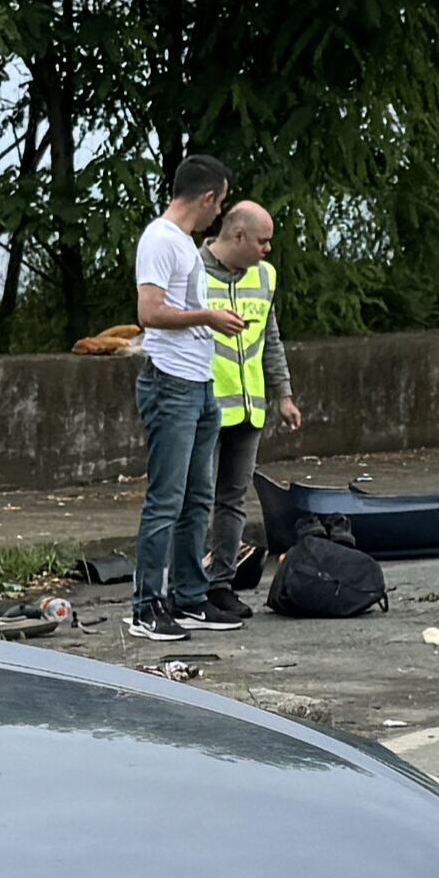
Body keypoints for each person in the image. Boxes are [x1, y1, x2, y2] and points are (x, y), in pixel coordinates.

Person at [129, 156, 251, 640]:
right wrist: (208, 318)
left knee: (198, 497)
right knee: (166, 499)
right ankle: (145, 607)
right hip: (171, 382)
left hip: (200, 384)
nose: (218, 213)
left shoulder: (183, 244)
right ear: (206, 198)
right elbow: (150, 312)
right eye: (219, 203)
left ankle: (189, 597)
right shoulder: (160, 240)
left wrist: (206, 317)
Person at [197, 195, 303, 623]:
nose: (267, 249)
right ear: (237, 234)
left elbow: (270, 339)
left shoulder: (265, 277)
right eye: (262, 240)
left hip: (249, 408)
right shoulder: (193, 272)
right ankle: (185, 586)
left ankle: (221, 585)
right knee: (194, 499)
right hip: (204, 406)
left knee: (233, 500)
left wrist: (284, 394)